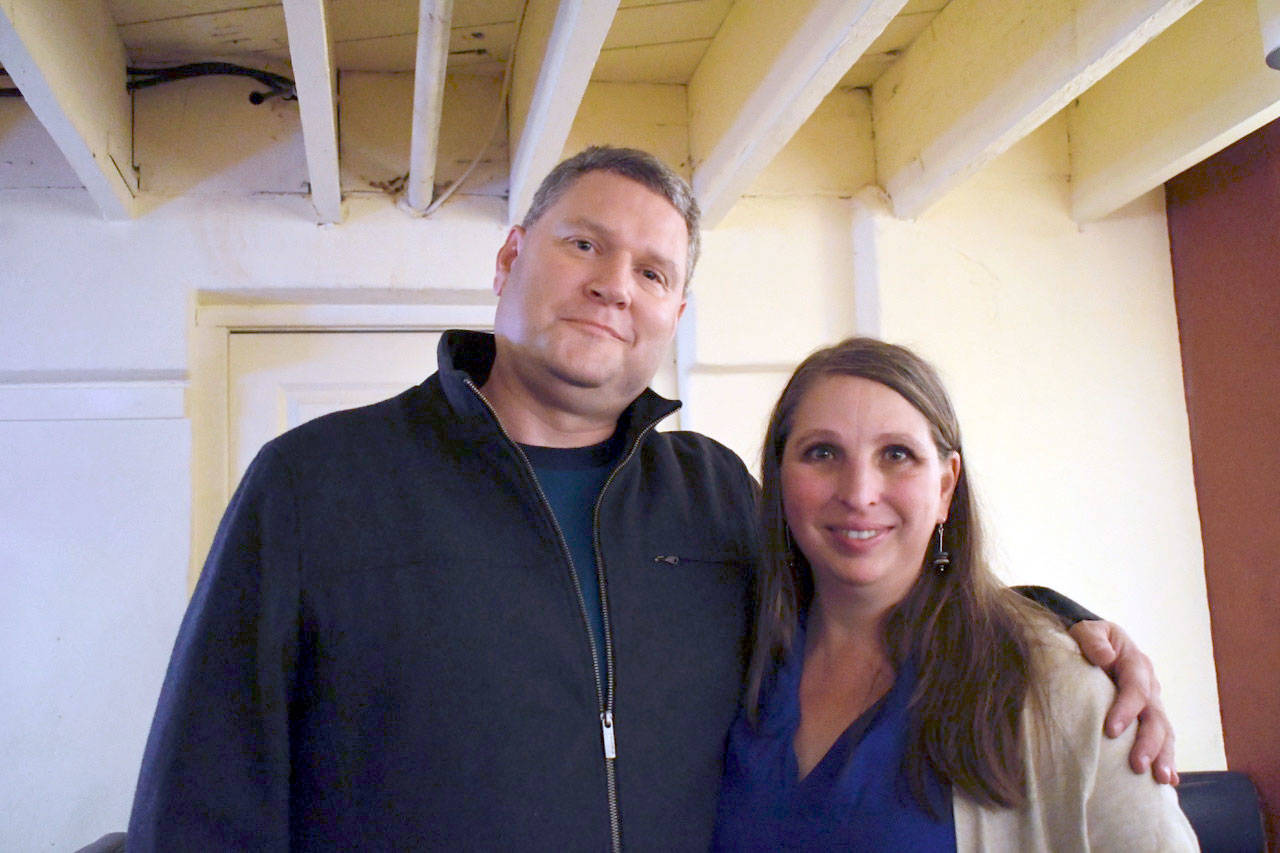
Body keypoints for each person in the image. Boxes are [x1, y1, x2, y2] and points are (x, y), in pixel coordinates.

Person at [127, 147, 1174, 851]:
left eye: (652, 270)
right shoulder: (316, 485)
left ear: (674, 309)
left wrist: (1059, 626)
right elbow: (202, 798)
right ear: (509, 258)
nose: (613, 283)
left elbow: (869, 585)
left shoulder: (712, 496)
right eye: (583, 243)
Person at [712, 338, 1197, 850]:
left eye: (896, 454)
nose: (858, 493)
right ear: (780, 477)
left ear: (946, 486)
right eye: (822, 452)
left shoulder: (1061, 689)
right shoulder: (736, 658)